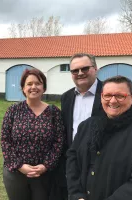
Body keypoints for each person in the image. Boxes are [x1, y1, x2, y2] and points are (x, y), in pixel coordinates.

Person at [66, 75, 132, 200]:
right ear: (101, 97)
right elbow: (73, 159)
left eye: (120, 96)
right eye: (108, 95)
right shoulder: (87, 126)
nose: (113, 101)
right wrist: (76, 195)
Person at [1, 68, 64, 200]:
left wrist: (45, 165)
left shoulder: (53, 112)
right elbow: (5, 140)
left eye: (38, 83)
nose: (33, 87)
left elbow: (59, 142)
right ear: (23, 88)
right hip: (15, 173)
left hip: (43, 174)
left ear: (44, 88)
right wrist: (19, 166)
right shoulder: (13, 110)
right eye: (29, 84)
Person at [53, 53, 104, 200]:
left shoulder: (108, 94)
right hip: (73, 161)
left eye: (85, 68)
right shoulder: (66, 97)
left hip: (100, 161)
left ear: (95, 69)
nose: (80, 73)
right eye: (75, 70)